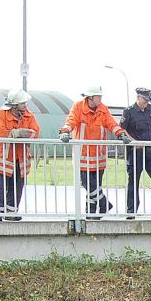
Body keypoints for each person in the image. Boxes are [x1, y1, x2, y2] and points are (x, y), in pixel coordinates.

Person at [59, 86, 132, 219]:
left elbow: (111, 123)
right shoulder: (78, 107)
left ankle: (91, 214)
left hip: (99, 155)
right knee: (88, 184)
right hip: (83, 154)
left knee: (95, 186)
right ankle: (104, 203)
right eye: (98, 96)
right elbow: (71, 121)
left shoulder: (103, 109)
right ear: (90, 98)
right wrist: (65, 131)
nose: (101, 99)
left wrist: (121, 134)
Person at [0, 89, 41, 221]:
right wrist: (16, 133)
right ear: (14, 105)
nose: (25, 105)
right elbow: (0, 133)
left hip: (20, 157)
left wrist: (23, 134)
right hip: (3, 157)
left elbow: (36, 132)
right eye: (22, 103)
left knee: (17, 185)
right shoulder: (0, 114)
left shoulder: (29, 116)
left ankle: (11, 212)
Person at [119, 88, 151, 217]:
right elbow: (121, 130)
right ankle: (131, 210)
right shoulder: (128, 111)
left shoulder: (150, 110)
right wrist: (133, 141)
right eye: (145, 100)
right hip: (135, 151)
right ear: (138, 98)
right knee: (134, 180)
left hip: (149, 150)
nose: (146, 103)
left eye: (148, 100)